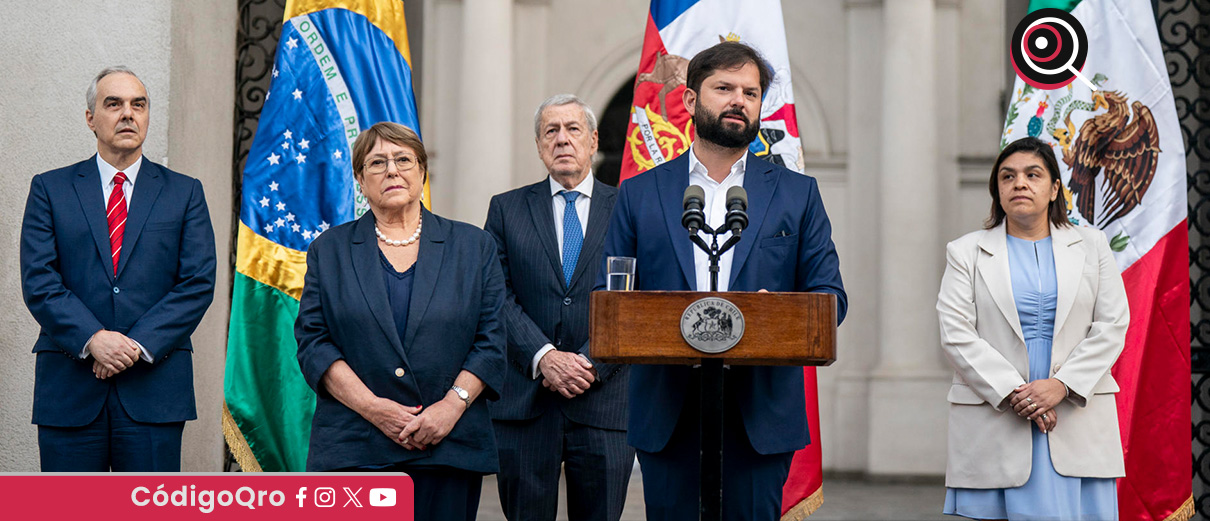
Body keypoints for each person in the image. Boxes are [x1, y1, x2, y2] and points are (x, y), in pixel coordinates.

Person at [598, 41, 847, 520]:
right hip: (668, 409)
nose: (739, 100)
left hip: (760, 412)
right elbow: (609, 296)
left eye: (750, 93)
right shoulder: (639, 193)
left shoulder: (797, 194)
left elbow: (830, 296)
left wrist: (772, 316)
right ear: (691, 101)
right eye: (724, 88)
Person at [295, 121, 505, 521]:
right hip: (355, 446)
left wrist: (450, 407)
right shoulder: (330, 250)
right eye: (377, 163)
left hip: (449, 446)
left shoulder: (473, 246)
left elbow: (492, 340)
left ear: (422, 171)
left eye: (403, 159)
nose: (392, 171)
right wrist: (374, 409)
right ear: (360, 179)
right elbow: (314, 342)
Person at [19, 66, 217, 471]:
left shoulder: (185, 192)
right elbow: (39, 279)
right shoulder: (50, 188)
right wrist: (93, 338)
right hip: (70, 389)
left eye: (138, 104)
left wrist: (135, 345)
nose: (128, 114)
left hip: (154, 388)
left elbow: (197, 283)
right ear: (90, 118)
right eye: (114, 104)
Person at [937, 136, 1129, 520]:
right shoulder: (965, 252)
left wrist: (1062, 385)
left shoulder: (1092, 246)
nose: (1019, 183)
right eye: (1007, 176)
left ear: (1055, 187)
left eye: (1032, 174)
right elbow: (955, 332)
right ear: (997, 190)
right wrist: (1015, 393)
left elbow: (1112, 324)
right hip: (996, 418)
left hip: (1076, 417)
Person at [484, 94, 632, 521]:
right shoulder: (506, 209)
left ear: (593, 140)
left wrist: (589, 363)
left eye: (573, 129)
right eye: (551, 131)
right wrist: (545, 357)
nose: (562, 140)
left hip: (604, 401)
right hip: (527, 405)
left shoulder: (628, 209)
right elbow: (495, 294)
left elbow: (636, 299)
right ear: (538, 144)